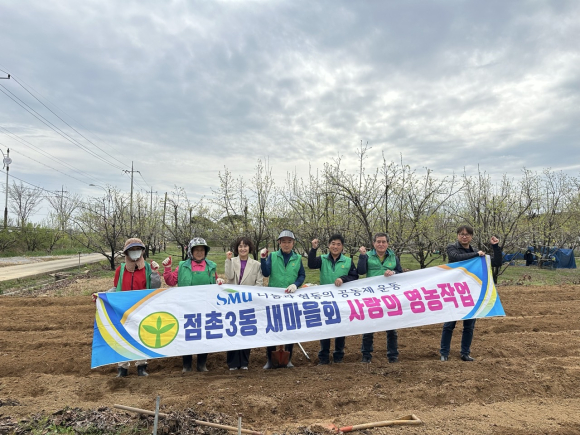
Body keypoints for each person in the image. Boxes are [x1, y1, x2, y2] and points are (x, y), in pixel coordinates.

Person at [92, 238, 161, 377]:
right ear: (126, 252)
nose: (135, 252)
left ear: (142, 251)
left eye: (137, 249)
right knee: (122, 336)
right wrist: (102, 296)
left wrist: (154, 273)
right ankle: (122, 368)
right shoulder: (121, 269)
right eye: (132, 250)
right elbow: (116, 288)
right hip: (123, 309)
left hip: (142, 308)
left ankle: (141, 366)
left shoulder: (148, 268)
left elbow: (155, 287)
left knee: (141, 335)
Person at [440, 226, 502, 362]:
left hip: (471, 293)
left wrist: (495, 247)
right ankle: (444, 353)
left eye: (467, 234)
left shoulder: (476, 252)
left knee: (469, 326)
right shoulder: (452, 248)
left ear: (471, 237)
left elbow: (497, 262)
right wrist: (476, 255)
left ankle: (465, 353)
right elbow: (456, 258)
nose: (464, 236)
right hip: (454, 293)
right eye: (461, 234)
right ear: (457, 235)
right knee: (449, 324)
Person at [162, 237, 224, 372]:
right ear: (191, 251)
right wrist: (167, 269)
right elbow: (171, 282)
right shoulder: (182, 266)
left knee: (204, 334)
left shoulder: (211, 266)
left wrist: (219, 281)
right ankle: (187, 365)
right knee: (188, 334)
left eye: (202, 250)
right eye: (197, 250)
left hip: (205, 307)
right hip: (187, 308)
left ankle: (202, 364)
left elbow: (215, 283)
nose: (199, 252)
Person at [308, 234, 359, 364]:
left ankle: (338, 355)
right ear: (329, 245)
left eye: (338, 244)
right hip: (325, 299)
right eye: (333, 244)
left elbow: (354, 276)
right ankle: (323, 356)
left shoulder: (348, 261)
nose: (335, 247)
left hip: (341, 300)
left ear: (342, 247)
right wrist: (313, 249)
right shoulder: (323, 259)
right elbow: (311, 264)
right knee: (325, 327)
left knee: (340, 327)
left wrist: (343, 279)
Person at [260, 229, 305, 369]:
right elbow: (266, 273)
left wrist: (296, 284)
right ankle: (270, 359)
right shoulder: (273, 256)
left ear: (293, 243)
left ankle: (288, 359)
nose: (286, 244)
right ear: (279, 243)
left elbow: (302, 275)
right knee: (272, 328)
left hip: (290, 298)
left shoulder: (297, 258)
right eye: (283, 241)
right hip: (274, 298)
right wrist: (263, 259)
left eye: (289, 242)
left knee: (290, 328)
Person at [356, 232, 403, 364]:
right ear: (373, 243)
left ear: (387, 243)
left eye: (383, 242)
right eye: (378, 242)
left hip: (389, 296)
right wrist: (362, 256)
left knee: (391, 327)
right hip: (372, 296)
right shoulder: (367, 255)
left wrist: (393, 272)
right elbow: (361, 271)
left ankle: (393, 355)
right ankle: (366, 355)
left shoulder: (393, 257)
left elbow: (400, 272)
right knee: (369, 327)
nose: (381, 244)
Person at [224, 237, 263, 370]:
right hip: (233, 302)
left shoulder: (256, 264)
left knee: (246, 331)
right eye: (240, 246)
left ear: (249, 248)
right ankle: (233, 363)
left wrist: (249, 297)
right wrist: (228, 260)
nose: (243, 249)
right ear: (237, 249)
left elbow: (259, 283)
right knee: (232, 330)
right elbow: (229, 276)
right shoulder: (232, 261)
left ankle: (244, 362)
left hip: (248, 303)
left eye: (245, 246)